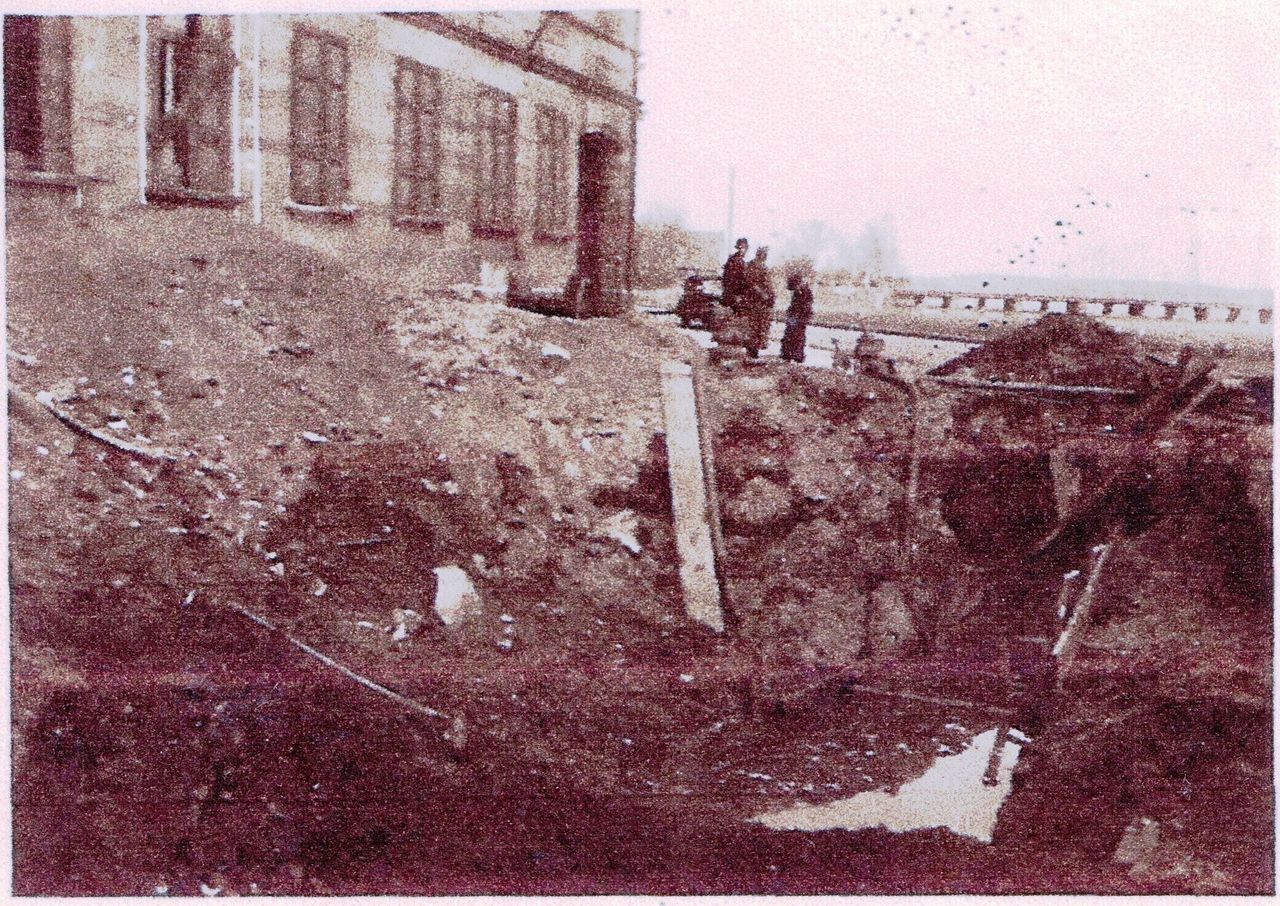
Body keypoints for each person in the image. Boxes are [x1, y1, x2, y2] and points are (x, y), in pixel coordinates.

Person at [742, 246, 775, 358]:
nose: (765, 257)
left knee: (760, 327)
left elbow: (768, 284)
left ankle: (755, 351)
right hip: (752, 301)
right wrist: (761, 293)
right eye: (763, 255)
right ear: (760, 255)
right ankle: (751, 351)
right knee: (752, 327)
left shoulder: (764, 267)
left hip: (762, 302)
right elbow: (749, 283)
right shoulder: (750, 266)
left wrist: (770, 295)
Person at [780, 271, 814, 363]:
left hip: (800, 317)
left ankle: (796, 356)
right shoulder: (798, 292)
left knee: (797, 337)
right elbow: (794, 305)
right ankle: (789, 355)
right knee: (790, 335)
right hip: (795, 317)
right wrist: (790, 314)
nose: (795, 289)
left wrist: (798, 316)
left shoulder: (806, 291)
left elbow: (806, 306)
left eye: (795, 287)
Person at [721, 237, 749, 313]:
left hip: (739, 294)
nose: (741, 250)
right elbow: (729, 279)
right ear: (737, 248)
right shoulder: (733, 260)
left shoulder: (742, 261)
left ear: (746, 248)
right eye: (740, 248)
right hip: (733, 295)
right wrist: (735, 295)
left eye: (743, 248)